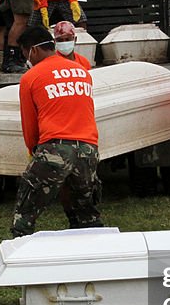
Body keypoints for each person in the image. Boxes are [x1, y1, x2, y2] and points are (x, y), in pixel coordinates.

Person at [12, 26, 102, 237]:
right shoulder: (82, 72)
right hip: (89, 150)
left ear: (32, 50)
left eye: (25, 54)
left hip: (55, 148)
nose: (27, 59)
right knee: (86, 212)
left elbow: (30, 124)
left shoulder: (31, 77)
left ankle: (18, 256)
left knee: (25, 211)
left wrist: (34, 150)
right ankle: (95, 253)